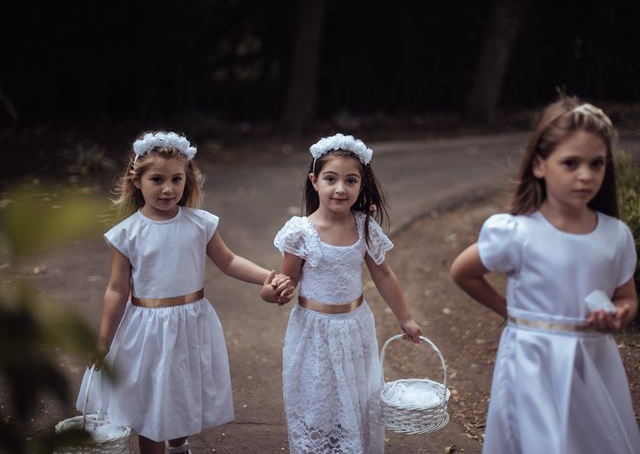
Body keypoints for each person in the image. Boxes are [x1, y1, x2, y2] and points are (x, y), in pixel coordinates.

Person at [78, 132, 292, 454]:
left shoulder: (199, 224)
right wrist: (103, 341)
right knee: (151, 401)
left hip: (190, 324)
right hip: (147, 331)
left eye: (176, 179)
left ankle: (179, 444)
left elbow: (230, 261)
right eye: (157, 179)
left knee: (180, 390)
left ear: (187, 180)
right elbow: (116, 289)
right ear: (136, 180)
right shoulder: (128, 234)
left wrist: (270, 276)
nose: (168, 188)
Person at [450, 98, 640, 453]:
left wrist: (620, 314)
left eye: (596, 163)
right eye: (571, 163)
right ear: (539, 165)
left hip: (593, 362)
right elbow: (464, 272)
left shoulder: (615, 236)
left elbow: (626, 296)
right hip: (531, 363)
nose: (585, 175)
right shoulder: (516, 233)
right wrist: (509, 311)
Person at [261, 133, 422, 454]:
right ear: (314, 181)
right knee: (318, 400)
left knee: (355, 397)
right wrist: (273, 292)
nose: (340, 188)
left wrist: (406, 317)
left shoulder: (363, 227)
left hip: (355, 328)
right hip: (314, 332)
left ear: (361, 186)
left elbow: (384, 274)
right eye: (331, 179)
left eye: (351, 180)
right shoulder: (301, 231)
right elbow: (286, 281)